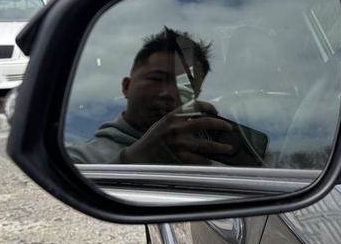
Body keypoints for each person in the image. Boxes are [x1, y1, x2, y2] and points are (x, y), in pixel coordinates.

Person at [67, 27, 234, 165]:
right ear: (126, 87)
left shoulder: (214, 160)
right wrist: (132, 160)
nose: (168, 94)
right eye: (156, 78)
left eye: (186, 86)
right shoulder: (78, 161)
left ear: (195, 97)